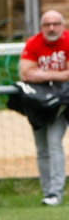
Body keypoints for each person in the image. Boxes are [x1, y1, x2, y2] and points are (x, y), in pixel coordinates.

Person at [18, 10, 69, 206]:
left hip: (61, 103)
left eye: (56, 23)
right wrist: (60, 73)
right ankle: (48, 192)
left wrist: (43, 74)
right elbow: (26, 74)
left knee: (54, 142)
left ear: (62, 25)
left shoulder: (67, 41)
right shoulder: (33, 43)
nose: (52, 28)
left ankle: (56, 192)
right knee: (42, 148)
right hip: (38, 103)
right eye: (47, 24)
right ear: (42, 27)